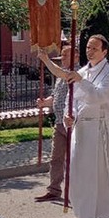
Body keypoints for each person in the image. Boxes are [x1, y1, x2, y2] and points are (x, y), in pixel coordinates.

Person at [38, 34, 109, 218]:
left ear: (104, 51)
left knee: (96, 175)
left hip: (98, 129)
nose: (89, 51)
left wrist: (82, 81)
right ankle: (85, 215)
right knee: (79, 174)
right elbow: (73, 99)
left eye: (94, 48)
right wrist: (70, 116)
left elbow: (100, 97)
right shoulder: (83, 71)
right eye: (88, 48)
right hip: (80, 129)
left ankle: (98, 216)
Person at [34, 45, 79, 202]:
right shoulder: (60, 76)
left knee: (75, 159)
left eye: (66, 56)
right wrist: (44, 103)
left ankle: (78, 190)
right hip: (60, 122)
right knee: (56, 158)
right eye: (62, 56)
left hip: (74, 124)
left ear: (76, 57)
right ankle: (54, 189)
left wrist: (45, 59)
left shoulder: (77, 73)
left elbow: (59, 72)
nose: (62, 59)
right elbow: (56, 97)